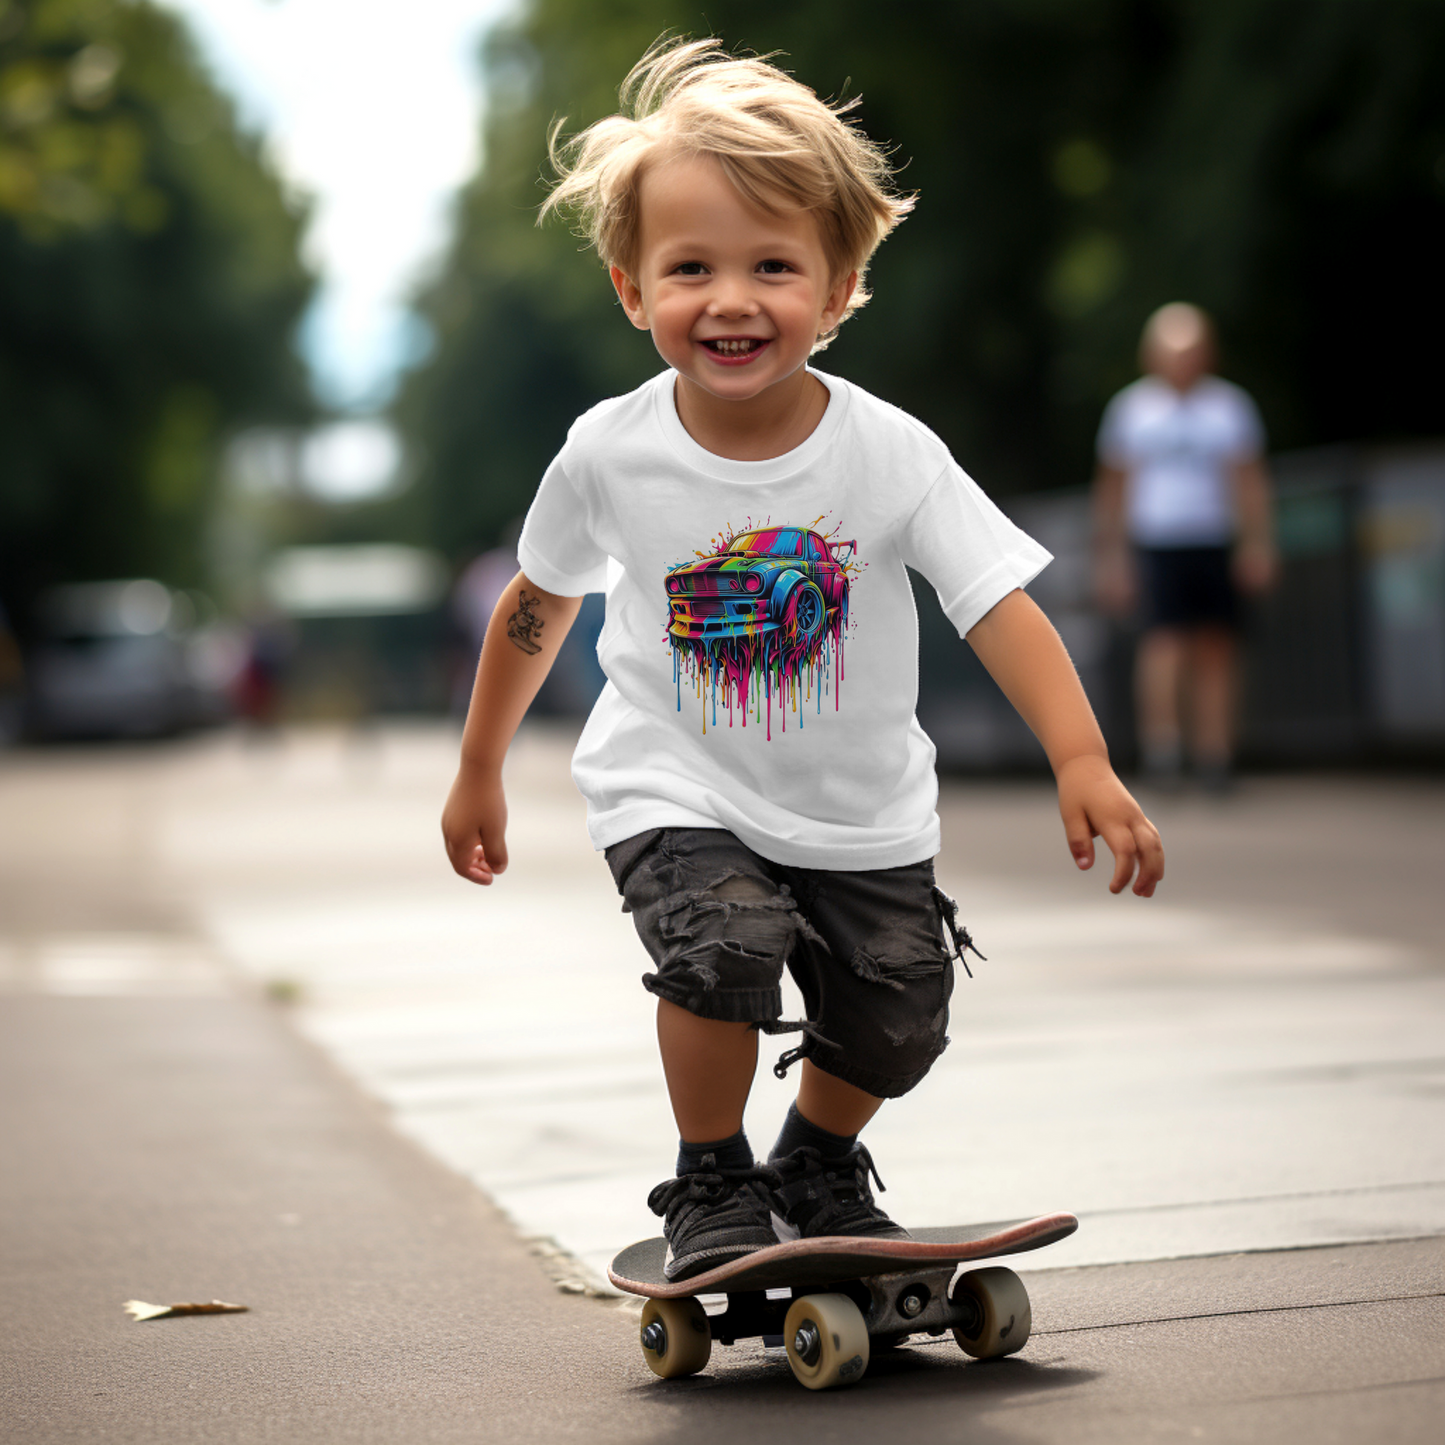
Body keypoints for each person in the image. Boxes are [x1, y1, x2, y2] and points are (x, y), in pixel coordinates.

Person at [442, 38, 1164, 1282]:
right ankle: (711, 1175)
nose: (731, 299)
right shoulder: (608, 453)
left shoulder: (889, 455)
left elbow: (993, 602)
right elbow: (537, 602)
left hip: (859, 803)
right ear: (631, 289)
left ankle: (813, 1162)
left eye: (773, 267)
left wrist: (1082, 754)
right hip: (674, 776)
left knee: (898, 1003)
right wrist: (477, 768)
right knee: (721, 946)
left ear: (836, 293)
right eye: (691, 268)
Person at [1093, 303, 1277, 791]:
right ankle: (1164, 752)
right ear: (1152, 355)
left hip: (1213, 540)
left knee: (1217, 647)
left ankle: (1215, 755)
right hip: (1157, 545)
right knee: (1163, 646)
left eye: (1192, 350)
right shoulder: (1132, 411)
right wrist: (1112, 558)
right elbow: (1113, 489)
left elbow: (1249, 482)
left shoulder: (1229, 408)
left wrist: (1256, 543)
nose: (1183, 360)